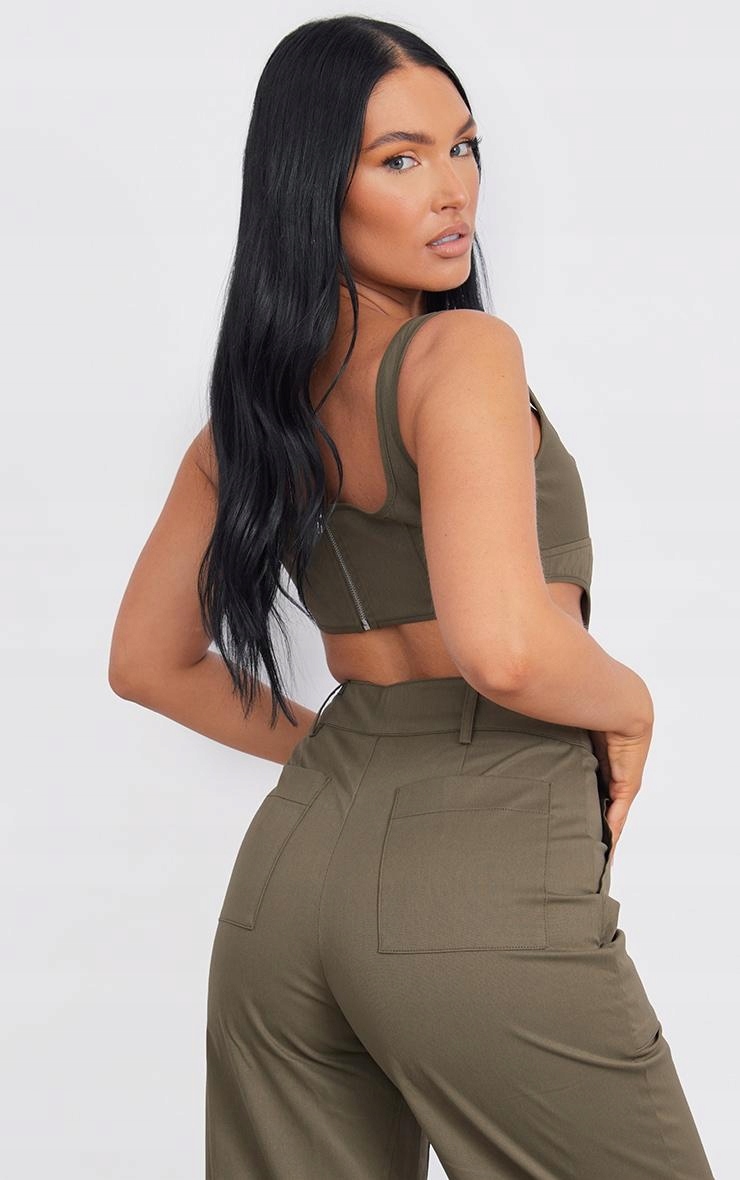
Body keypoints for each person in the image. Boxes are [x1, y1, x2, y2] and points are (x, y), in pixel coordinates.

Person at [108, 15, 716, 1180]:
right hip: (476, 862)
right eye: (399, 159)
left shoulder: (250, 423)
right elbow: (504, 647)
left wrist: (351, 759)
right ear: (310, 188)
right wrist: (630, 705)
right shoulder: (460, 355)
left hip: (288, 884)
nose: (452, 189)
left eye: (462, 146)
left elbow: (146, 662)